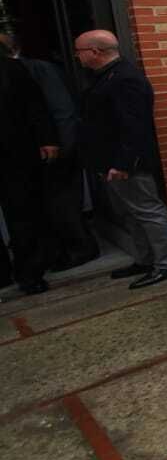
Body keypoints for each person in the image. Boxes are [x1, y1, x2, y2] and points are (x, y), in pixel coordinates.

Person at [75, 30, 167, 289]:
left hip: (127, 164)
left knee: (147, 211)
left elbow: (135, 126)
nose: (77, 57)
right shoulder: (105, 77)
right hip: (109, 162)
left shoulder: (125, 78)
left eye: (79, 51)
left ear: (95, 52)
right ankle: (146, 259)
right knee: (130, 213)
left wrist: (124, 163)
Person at [0, 33, 98, 271]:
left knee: (64, 203)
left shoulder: (37, 68)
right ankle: (53, 253)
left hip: (58, 151)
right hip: (32, 156)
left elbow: (62, 109)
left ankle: (80, 249)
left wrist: (61, 147)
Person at [0, 51, 58, 294]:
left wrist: (47, 139)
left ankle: (30, 274)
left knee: (23, 214)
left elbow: (35, 106)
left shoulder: (11, 69)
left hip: (14, 153)